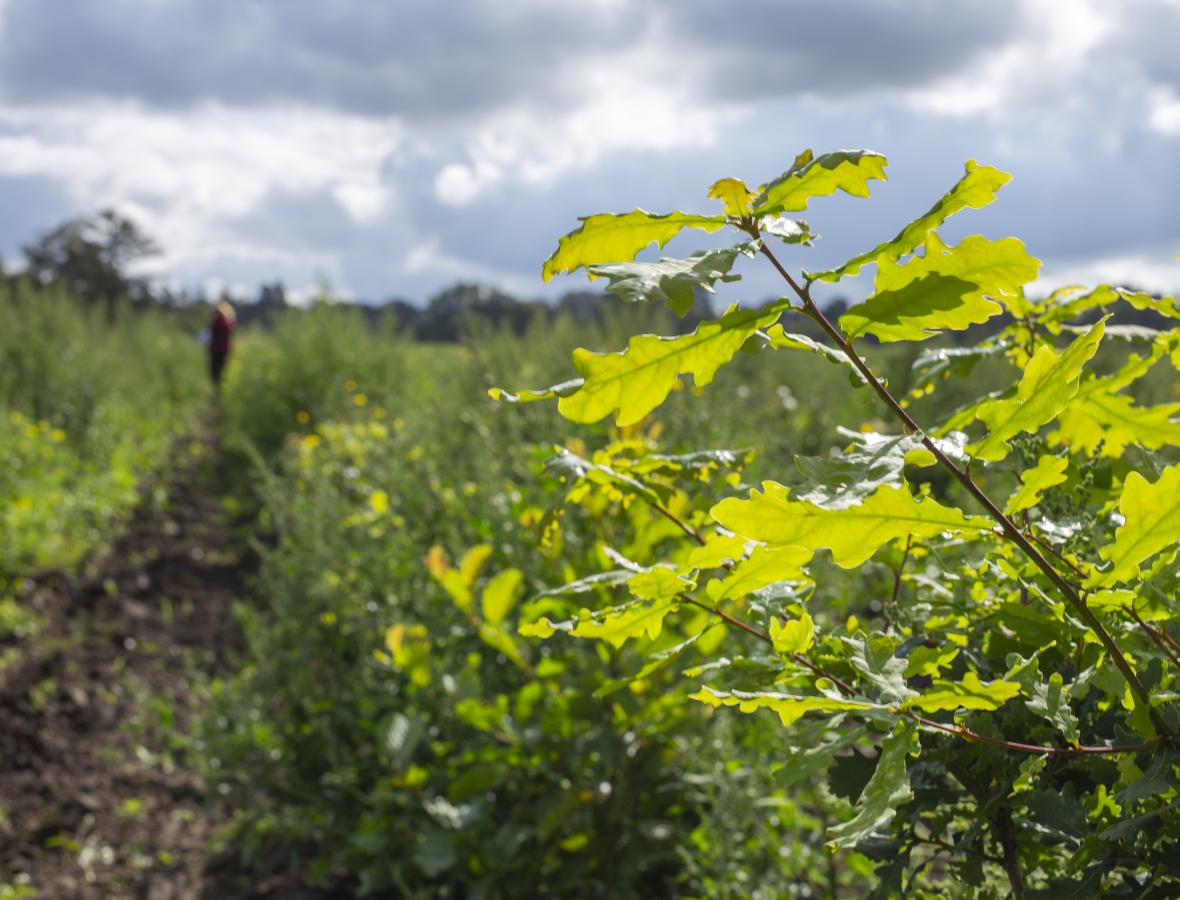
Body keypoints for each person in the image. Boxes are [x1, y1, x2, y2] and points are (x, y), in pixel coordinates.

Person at [209, 300, 236, 391]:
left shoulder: (218, 320)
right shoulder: (229, 321)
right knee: (223, 371)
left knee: (215, 372)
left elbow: (212, 334)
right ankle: (222, 391)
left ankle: (217, 392)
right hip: (226, 349)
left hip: (216, 350)